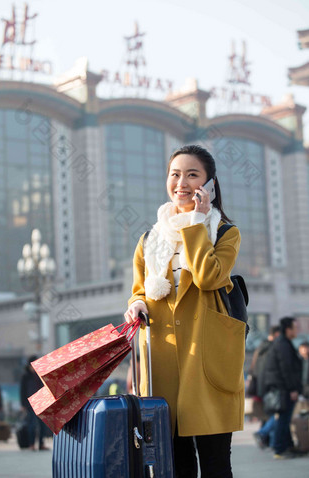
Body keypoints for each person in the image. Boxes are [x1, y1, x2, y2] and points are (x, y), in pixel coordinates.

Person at [124, 145, 245, 478]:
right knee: (174, 465)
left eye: (193, 175)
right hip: (163, 363)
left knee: (216, 462)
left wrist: (195, 223)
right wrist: (136, 303)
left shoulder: (224, 232)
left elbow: (208, 277)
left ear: (210, 185)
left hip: (207, 361)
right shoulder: (150, 238)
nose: (182, 182)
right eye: (175, 174)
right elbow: (139, 290)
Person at [263, 316, 303, 459]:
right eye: (295, 327)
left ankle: (285, 447)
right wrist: (292, 389)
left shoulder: (284, 343)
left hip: (283, 388)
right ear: (288, 329)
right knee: (283, 420)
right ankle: (279, 449)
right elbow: (287, 369)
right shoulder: (283, 345)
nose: (298, 330)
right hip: (284, 389)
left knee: (284, 419)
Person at [251, 325, 280, 449]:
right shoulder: (271, 349)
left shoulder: (261, 348)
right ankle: (266, 437)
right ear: (276, 334)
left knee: (267, 415)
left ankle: (266, 440)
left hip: (260, 388)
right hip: (269, 387)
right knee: (274, 414)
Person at [20, 355, 49, 451]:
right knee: (32, 424)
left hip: (41, 402)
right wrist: (23, 404)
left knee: (42, 425)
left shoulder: (40, 374)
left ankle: (41, 444)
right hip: (30, 403)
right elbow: (22, 391)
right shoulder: (25, 376)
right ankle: (31, 444)